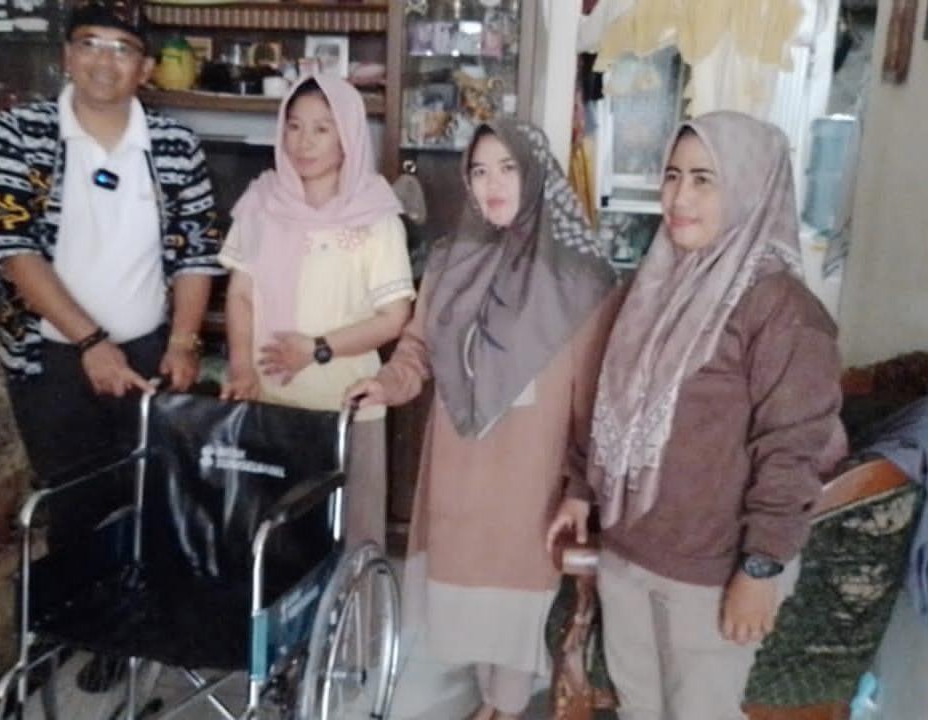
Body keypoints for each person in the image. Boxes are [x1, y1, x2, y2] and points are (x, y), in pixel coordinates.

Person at [546, 111, 846, 720]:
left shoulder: (781, 309)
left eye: (705, 180)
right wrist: (580, 487)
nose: (680, 198)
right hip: (629, 551)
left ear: (750, 188)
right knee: (638, 707)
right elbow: (610, 396)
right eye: (673, 176)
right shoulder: (651, 286)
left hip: (711, 570)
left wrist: (760, 568)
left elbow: (791, 450)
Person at [348, 119, 618, 720]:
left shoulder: (581, 277)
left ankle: (504, 704)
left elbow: (594, 400)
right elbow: (417, 349)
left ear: (536, 174)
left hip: (529, 470)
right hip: (457, 464)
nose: (492, 185)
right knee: (462, 595)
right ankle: (491, 699)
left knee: (516, 597)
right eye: (479, 171)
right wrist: (386, 385)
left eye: (508, 168)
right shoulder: (452, 260)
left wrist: (580, 485)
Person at [0, 0, 221, 487]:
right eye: (90, 44)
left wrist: (183, 343)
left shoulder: (177, 143)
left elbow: (197, 251)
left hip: (149, 357)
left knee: (150, 497)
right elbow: (12, 249)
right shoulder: (17, 132)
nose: (105, 60)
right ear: (67, 56)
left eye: (123, 49)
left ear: (145, 69)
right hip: (49, 359)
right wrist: (91, 343)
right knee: (72, 503)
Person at [217, 75, 414, 550]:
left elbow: (394, 317)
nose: (303, 142)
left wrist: (317, 349)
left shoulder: (375, 216)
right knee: (273, 546)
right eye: (294, 126)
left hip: (347, 409)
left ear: (348, 137)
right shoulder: (260, 204)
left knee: (352, 544)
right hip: (268, 403)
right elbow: (240, 294)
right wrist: (242, 368)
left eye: (322, 129)